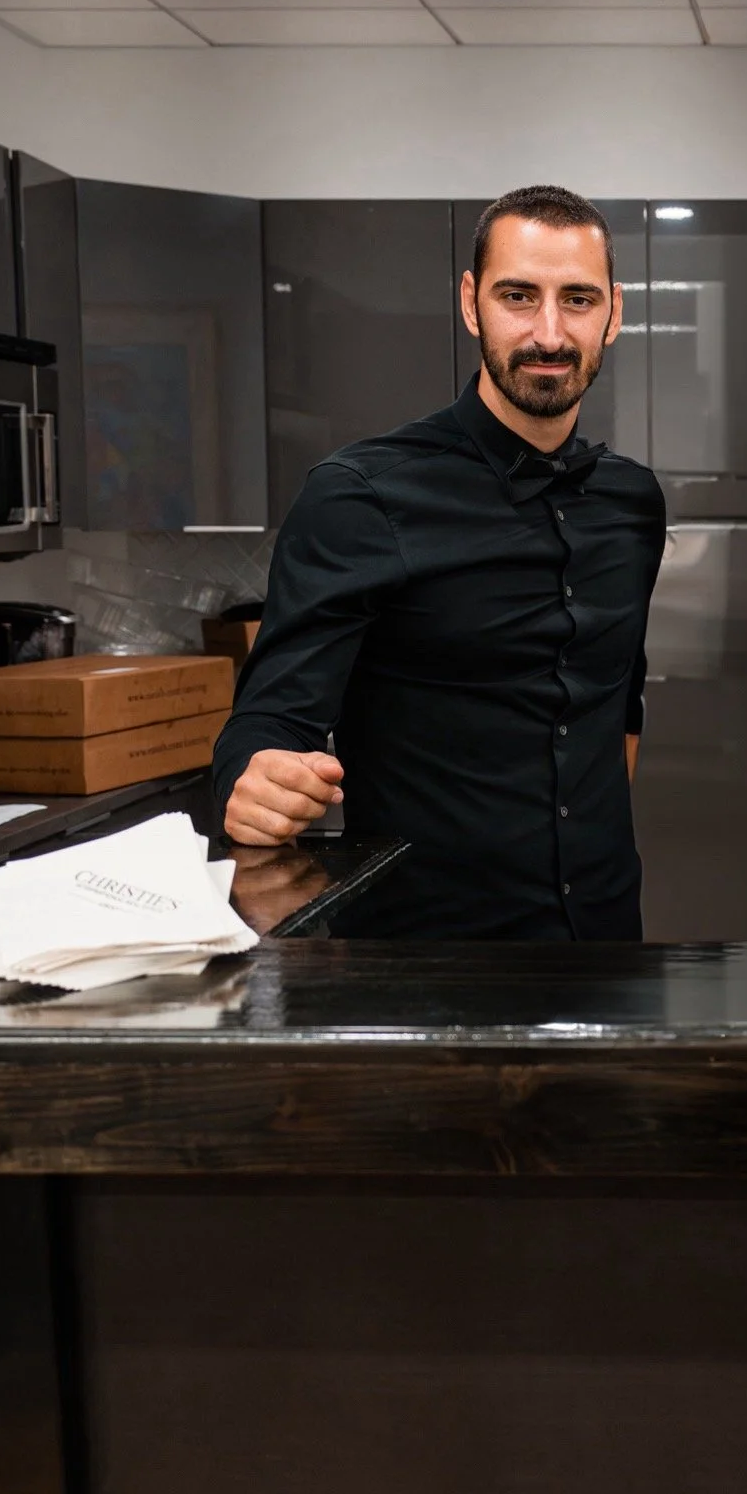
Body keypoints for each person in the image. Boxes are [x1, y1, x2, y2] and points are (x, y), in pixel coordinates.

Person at [214, 183, 666, 940]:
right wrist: (252, 780)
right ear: (470, 302)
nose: (549, 333)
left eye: (578, 300)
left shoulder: (633, 503)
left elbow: (617, 705)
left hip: (605, 943)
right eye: (519, 296)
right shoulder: (358, 498)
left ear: (613, 312)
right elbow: (267, 719)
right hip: (425, 960)